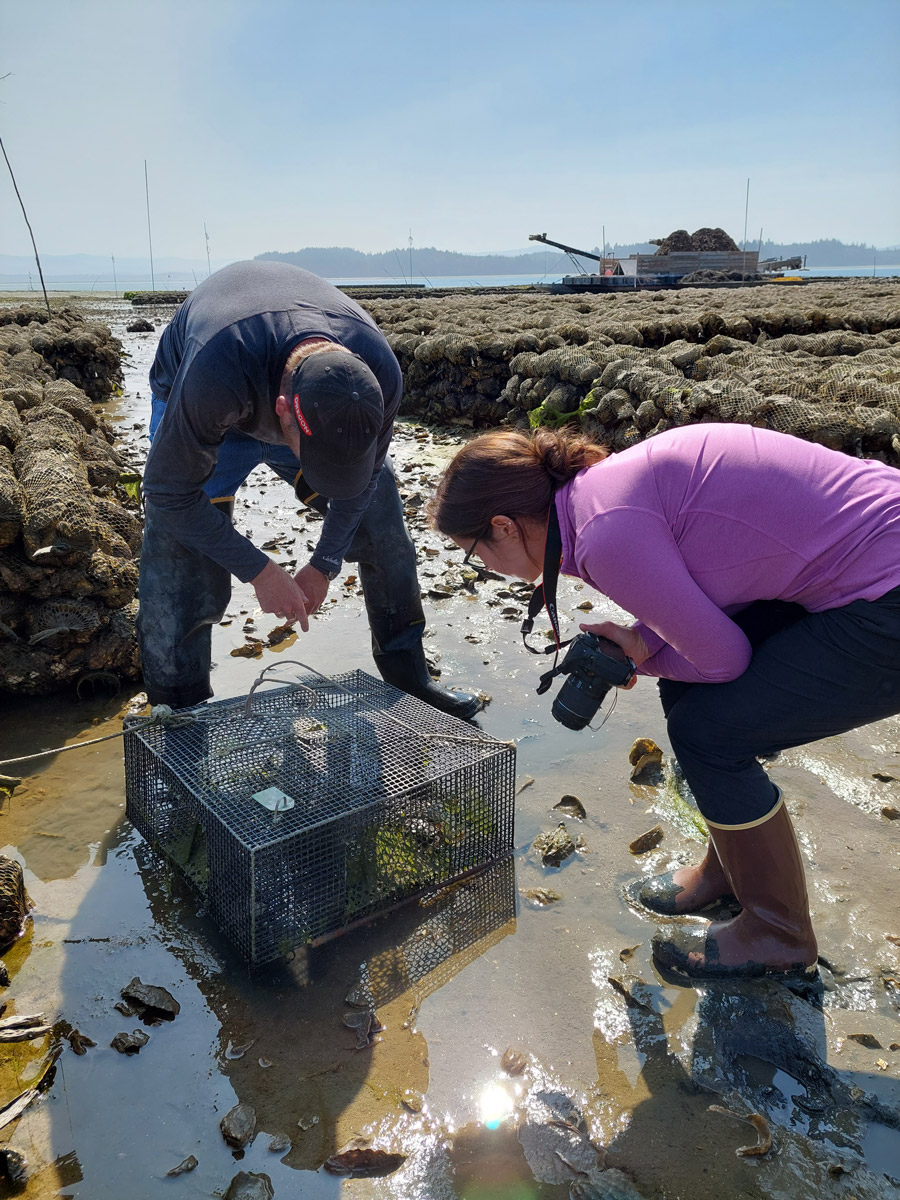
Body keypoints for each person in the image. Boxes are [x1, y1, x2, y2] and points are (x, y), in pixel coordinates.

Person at [428, 422, 900, 980]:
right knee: (687, 691)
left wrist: (641, 657)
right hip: (857, 560)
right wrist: (648, 643)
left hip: (883, 594)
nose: (483, 567)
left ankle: (779, 932)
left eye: (474, 552)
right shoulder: (596, 496)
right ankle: (733, 871)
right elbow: (723, 574)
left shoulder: (604, 536)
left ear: (504, 526)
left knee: (711, 734)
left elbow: (725, 661)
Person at [137, 259, 481, 720]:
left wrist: (324, 564)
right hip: (206, 391)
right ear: (281, 412)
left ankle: (409, 679)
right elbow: (168, 494)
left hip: (303, 405)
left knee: (381, 521)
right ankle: (177, 708)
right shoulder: (214, 373)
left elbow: (363, 488)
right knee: (180, 551)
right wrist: (260, 571)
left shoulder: (377, 375)